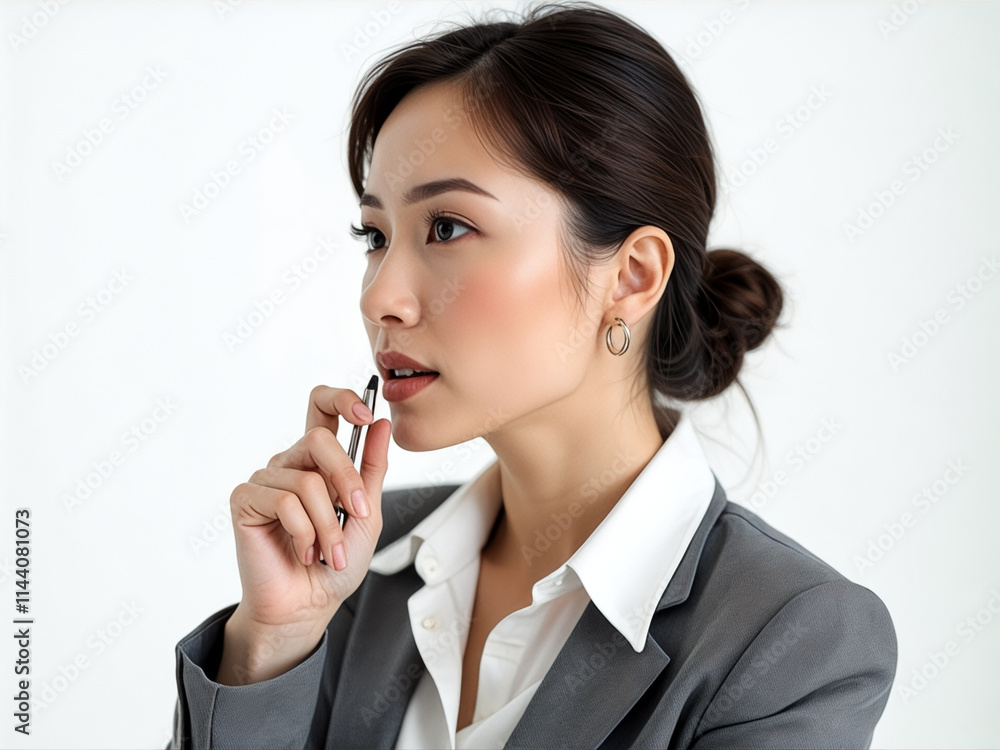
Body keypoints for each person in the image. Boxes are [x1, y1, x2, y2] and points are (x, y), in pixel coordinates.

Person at [168, 2, 897, 748]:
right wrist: (272, 642)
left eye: (447, 228)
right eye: (375, 236)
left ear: (632, 276)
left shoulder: (791, 639)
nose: (380, 297)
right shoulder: (355, 566)